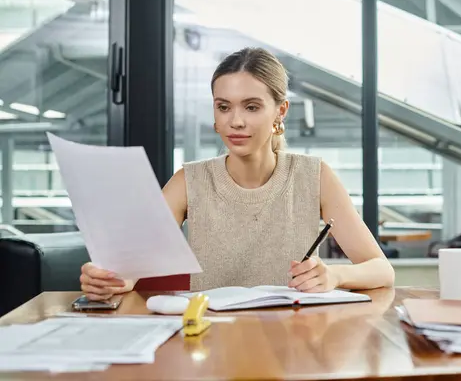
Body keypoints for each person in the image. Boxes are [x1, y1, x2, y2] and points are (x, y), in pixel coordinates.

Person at [80, 47, 395, 301]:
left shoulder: (314, 176)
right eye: (224, 107)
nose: (236, 121)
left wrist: (335, 275)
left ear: (280, 111)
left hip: (291, 341)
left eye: (252, 107)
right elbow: (131, 267)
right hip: (209, 341)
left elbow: (382, 270)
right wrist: (110, 279)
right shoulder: (188, 182)